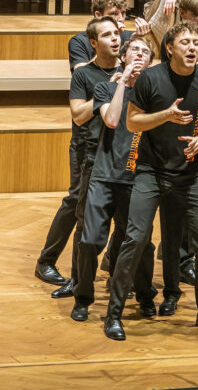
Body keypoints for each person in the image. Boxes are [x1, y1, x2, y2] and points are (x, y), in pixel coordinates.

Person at [104, 21, 198, 340]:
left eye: (197, 42)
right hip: (152, 171)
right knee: (135, 238)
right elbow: (132, 122)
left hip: (193, 173)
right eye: (186, 41)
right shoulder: (151, 78)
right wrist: (166, 116)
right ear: (170, 47)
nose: (194, 46)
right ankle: (113, 314)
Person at [35, 0, 148, 287]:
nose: (119, 30)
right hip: (86, 145)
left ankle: (110, 264)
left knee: (120, 213)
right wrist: (107, 91)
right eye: (111, 25)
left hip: (118, 150)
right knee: (77, 204)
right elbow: (79, 96)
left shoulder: (125, 61)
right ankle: (49, 263)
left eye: (121, 23)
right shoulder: (82, 52)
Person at [70, 34, 156, 323]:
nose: (140, 55)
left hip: (139, 177)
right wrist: (122, 83)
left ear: (151, 62)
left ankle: (145, 295)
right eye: (135, 50)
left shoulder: (155, 93)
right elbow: (112, 120)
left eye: (146, 52)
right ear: (124, 57)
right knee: (90, 240)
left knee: (140, 242)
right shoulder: (105, 88)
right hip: (105, 175)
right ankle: (83, 298)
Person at [53, 15, 123, 299]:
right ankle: (78, 279)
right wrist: (107, 93)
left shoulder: (131, 72)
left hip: (121, 154)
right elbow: (78, 116)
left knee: (125, 221)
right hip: (89, 153)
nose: (115, 38)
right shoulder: (83, 75)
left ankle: (118, 276)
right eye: (107, 35)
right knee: (84, 220)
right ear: (94, 43)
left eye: (117, 33)